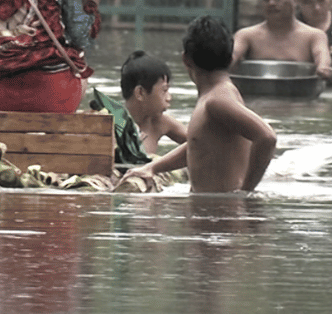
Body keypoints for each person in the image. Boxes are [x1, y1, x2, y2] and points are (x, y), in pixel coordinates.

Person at [116, 16, 277, 193]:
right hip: (213, 212)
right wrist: (153, 168)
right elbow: (199, 146)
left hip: (223, 214)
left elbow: (267, 137)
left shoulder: (217, 100)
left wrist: (246, 191)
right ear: (230, 58)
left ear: (186, 60)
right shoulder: (216, 97)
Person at [231, 0, 332, 78]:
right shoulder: (246, 35)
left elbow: (322, 58)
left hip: (300, 91)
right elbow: (232, 55)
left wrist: (323, 68)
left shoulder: (314, 36)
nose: (271, 3)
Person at [120, 50, 187, 154]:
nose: (169, 98)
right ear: (140, 93)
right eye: (164, 90)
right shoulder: (111, 125)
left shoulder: (158, 122)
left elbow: (200, 142)